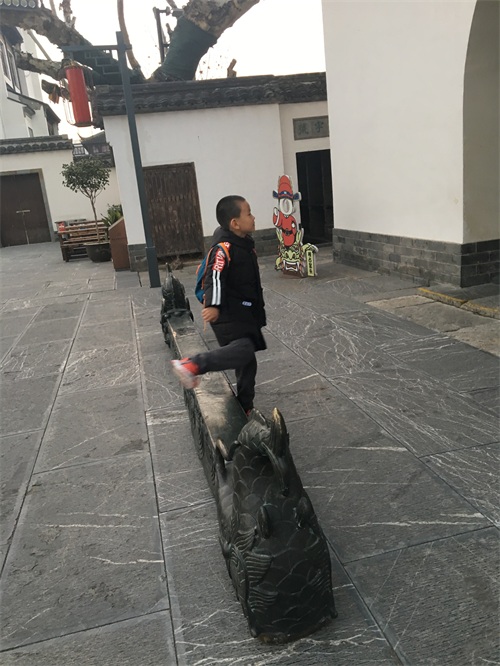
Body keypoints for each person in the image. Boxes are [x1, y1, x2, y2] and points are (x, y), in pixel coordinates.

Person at [171, 195, 266, 415]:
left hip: (242, 311)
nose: (253, 217)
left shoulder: (244, 244)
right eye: (249, 213)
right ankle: (192, 365)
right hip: (226, 312)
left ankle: (245, 406)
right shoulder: (223, 248)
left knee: (247, 362)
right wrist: (213, 304)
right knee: (244, 350)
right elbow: (214, 275)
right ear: (235, 223)